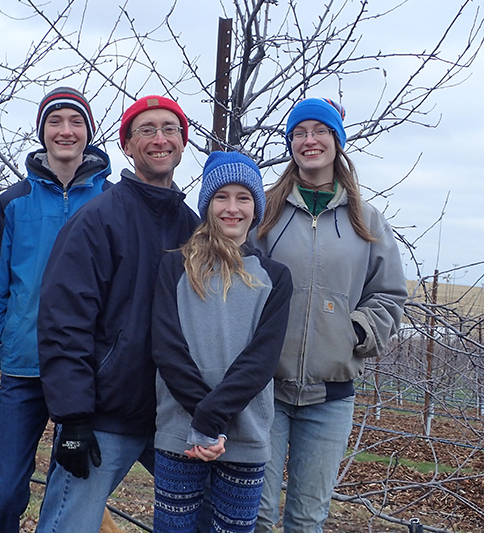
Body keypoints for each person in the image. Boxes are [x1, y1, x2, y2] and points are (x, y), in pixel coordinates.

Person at [35, 95, 201, 533]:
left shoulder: (195, 229)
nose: (159, 139)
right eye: (146, 130)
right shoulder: (98, 220)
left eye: (170, 129)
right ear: (127, 145)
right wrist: (73, 417)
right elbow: (63, 321)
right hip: (105, 415)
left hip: (173, 415)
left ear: (183, 143)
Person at [250, 98, 408, 533]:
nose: (309, 140)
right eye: (299, 133)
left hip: (331, 396)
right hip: (265, 390)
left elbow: (390, 294)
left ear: (337, 141)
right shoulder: (264, 212)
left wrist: (354, 332)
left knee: (306, 520)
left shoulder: (367, 219)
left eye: (320, 131)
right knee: (257, 517)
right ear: (290, 144)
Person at [0, 86, 111, 533]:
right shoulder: (14, 202)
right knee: (7, 489)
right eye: (55, 121)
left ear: (89, 132)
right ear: (42, 131)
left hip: (86, 371)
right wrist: (5, 343)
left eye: (76, 121)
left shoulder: (110, 201)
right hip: (24, 367)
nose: (65, 130)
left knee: (68, 489)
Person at [152, 151, 293, 533]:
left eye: (243, 197)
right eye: (221, 197)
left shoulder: (276, 277)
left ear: (256, 207)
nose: (232, 208)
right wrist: (201, 423)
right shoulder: (173, 267)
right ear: (207, 204)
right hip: (180, 434)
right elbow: (167, 349)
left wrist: (210, 420)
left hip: (244, 434)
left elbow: (260, 362)